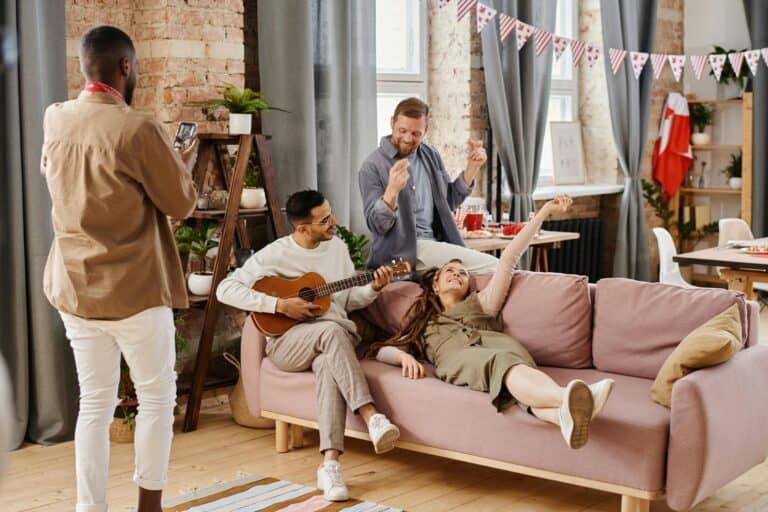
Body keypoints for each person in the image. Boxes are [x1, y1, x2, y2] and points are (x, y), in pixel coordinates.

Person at [41, 26, 198, 512]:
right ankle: (148, 506)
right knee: (155, 399)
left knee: (94, 402)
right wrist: (182, 161)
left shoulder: (56, 118)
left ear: (85, 66)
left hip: (74, 286)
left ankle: (91, 509)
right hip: (135, 290)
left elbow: (55, 175)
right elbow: (182, 203)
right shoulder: (138, 128)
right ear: (125, 67)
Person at [369, 196, 614, 450]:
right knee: (501, 363)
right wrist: (401, 358)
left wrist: (541, 214)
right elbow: (383, 350)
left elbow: (509, 258)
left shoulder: (483, 303)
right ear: (435, 282)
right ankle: (571, 397)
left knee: (514, 373)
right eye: (450, 272)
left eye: (463, 274)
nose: (457, 275)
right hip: (460, 359)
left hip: (502, 349)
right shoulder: (423, 321)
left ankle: (562, 415)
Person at [216, 190, 402, 502]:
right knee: (331, 331)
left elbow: (345, 300)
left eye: (331, 214)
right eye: (325, 220)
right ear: (302, 228)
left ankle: (330, 465)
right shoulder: (275, 254)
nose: (334, 222)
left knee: (330, 358)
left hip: (331, 341)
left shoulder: (338, 248)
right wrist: (279, 305)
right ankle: (371, 415)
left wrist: (373, 287)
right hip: (288, 344)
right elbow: (225, 289)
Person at [359, 97, 498, 273]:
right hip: (404, 254)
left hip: (436, 245)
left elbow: (448, 203)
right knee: (495, 266)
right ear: (392, 123)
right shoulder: (372, 166)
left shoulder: (430, 155)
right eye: (402, 130)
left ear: (426, 130)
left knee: (478, 280)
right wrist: (391, 192)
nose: (408, 138)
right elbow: (377, 225)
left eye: (416, 133)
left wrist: (472, 168)